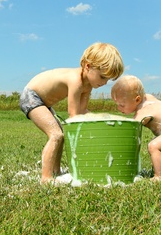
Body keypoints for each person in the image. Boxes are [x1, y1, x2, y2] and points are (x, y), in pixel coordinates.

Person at [20, 42, 124, 184]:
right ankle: (46, 178)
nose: (105, 83)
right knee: (56, 134)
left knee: (60, 135)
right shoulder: (75, 81)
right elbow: (74, 115)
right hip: (32, 97)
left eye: (108, 79)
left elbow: (82, 111)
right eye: (102, 77)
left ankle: (56, 171)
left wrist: (102, 119)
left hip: (44, 103)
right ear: (88, 66)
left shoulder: (88, 86)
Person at [111, 75, 161, 181]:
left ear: (137, 99)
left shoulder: (144, 111)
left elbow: (131, 129)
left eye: (121, 105)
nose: (118, 108)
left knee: (154, 146)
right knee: (157, 144)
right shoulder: (147, 98)